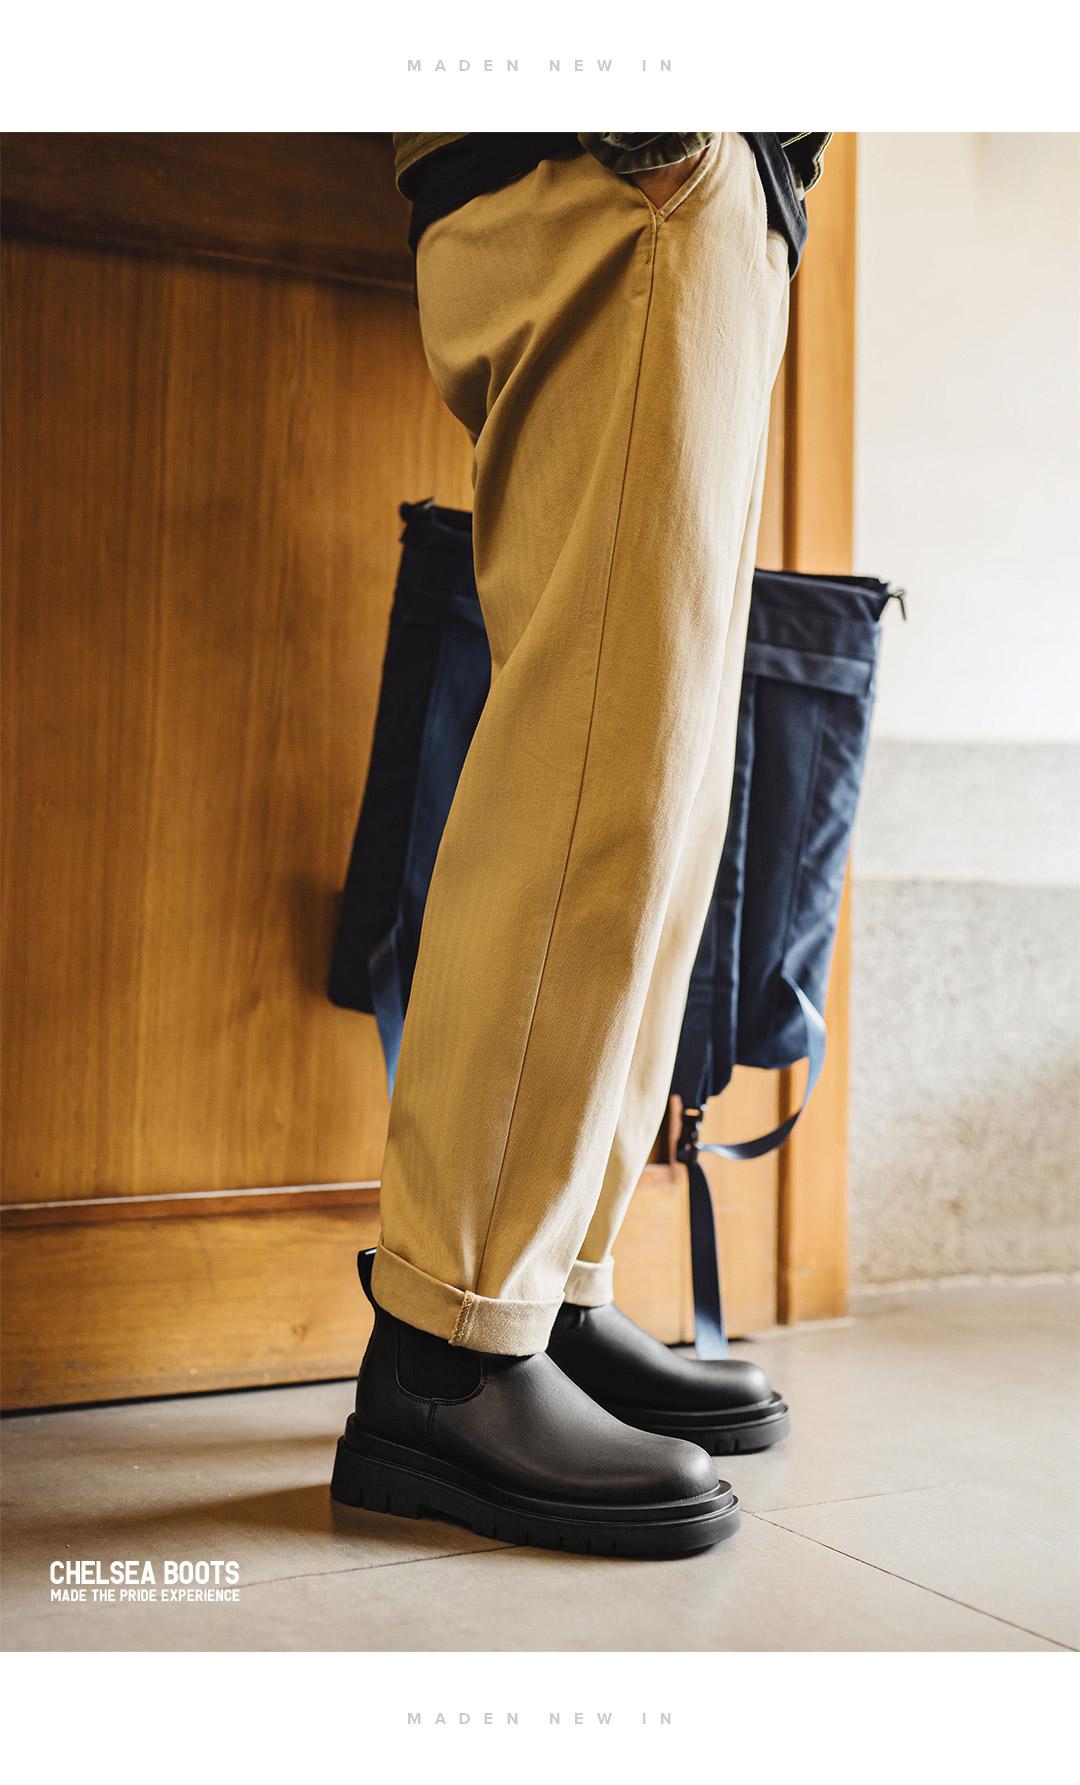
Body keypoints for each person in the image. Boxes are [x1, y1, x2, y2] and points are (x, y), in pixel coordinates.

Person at [330, 131, 829, 1558]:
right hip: (632, 153)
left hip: (703, 181)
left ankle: (544, 1288)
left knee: (659, 784)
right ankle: (450, 1346)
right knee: (602, 751)